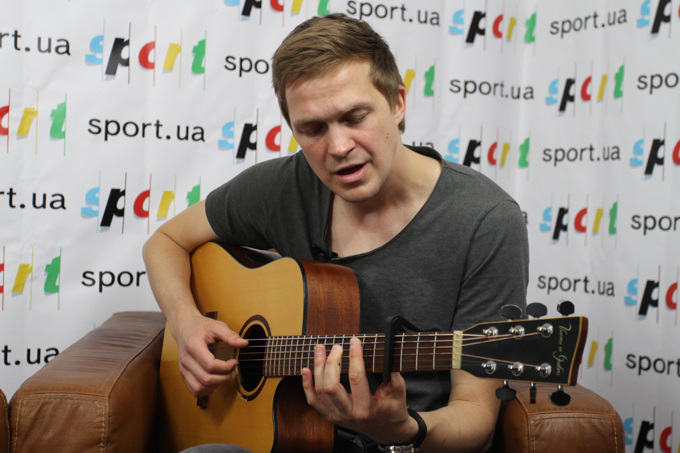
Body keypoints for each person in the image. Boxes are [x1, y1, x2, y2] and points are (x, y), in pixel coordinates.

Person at [143, 13, 529, 453]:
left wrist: (403, 430)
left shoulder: (486, 221)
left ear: (398, 103)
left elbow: (476, 416)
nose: (339, 147)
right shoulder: (284, 187)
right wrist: (187, 322)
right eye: (313, 129)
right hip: (293, 437)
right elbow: (165, 242)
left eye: (354, 117)